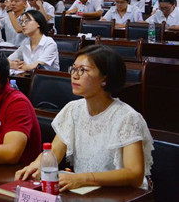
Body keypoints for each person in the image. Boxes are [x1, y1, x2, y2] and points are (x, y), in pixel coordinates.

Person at [15, 45, 153, 191]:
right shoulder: (73, 109)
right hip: (86, 191)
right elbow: (54, 151)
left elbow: (134, 174)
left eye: (83, 70)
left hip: (121, 195)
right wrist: (35, 165)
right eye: (74, 69)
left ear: (104, 79)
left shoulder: (127, 118)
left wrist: (83, 178)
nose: (75, 76)